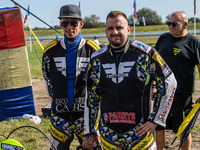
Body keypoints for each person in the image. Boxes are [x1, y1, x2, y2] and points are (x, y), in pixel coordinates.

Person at [82, 10, 177, 150]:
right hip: (109, 137)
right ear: (105, 31)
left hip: (141, 137)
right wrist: (89, 131)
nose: (115, 32)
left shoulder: (146, 54)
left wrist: (155, 119)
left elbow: (169, 81)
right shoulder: (96, 59)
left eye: (119, 27)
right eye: (110, 28)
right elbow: (91, 97)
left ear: (128, 29)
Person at [42, 4, 100, 150]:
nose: (69, 27)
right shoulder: (50, 51)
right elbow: (48, 82)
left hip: (86, 118)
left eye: (73, 23)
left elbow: (100, 85)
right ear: (60, 24)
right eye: (65, 23)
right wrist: (56, 105)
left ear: (81, 24)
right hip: (59, 118)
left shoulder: (93, 50)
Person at [155, 11, 200, 150]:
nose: (170, 26)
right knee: (159, 126)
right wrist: (153, 86)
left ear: (185, 24)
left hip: (182, 94)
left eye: (174, 24)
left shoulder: (194, 42)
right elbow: (154, 63)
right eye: (169, 23)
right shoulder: (163, 38)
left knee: (184, 128)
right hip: (162, 93)